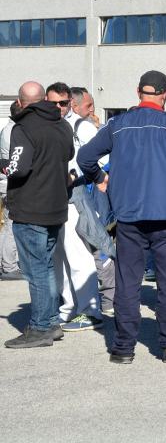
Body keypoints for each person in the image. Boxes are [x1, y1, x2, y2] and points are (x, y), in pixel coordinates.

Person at [78, 71, 166, 364]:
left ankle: (123, 348)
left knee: (128, 280)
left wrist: (100, 177)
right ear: (165, 94)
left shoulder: (117, 124)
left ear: (138, 91)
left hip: (129, 214)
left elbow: (85, 157)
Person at [1, 81, 74, 348]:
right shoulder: (62, 124)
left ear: (20, 102)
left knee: (36, 271)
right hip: (56, 206)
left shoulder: (24, 128)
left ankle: (41, 327)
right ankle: (51, 321)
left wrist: (4, 167)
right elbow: (69, 154)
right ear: (44, 99)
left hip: (31, 207)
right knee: (46, 267)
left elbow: (18, 168)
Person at [47, 81, 104, 332]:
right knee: (58, 256)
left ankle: (90, 310)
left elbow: (100, 158)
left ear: (70, 101)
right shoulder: (47, 124)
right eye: (54, 103)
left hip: (75, 195)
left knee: (78, 254)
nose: (59, 107)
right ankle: (68, 307)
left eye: (63, 102)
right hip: (49, 198)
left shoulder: (81, 126)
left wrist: (74, 172)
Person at [0, 101, 23, 280]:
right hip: (10, 185)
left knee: (9, 224)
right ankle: (9, 266)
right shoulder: (13, 131)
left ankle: (6, 263)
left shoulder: (9, 129)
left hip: (7, 184)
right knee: (11, 226)